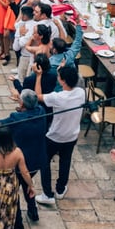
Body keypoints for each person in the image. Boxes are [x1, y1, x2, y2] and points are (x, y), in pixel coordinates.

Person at [0, 89, 47, 229]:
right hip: (37, 159)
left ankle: (18, 222)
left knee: (14, 190)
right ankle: (33, 212)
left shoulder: (16, 118)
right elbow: (33, 105)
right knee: (27, 185)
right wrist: (21, 102)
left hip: (20, 162)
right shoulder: (41, 111)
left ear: (23, 104)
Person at [34, 65, 84, 204]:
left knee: (44, 162)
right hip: (72, 135)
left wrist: (38, 76)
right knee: (65, 161)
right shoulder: (81, 93)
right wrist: (63, 70)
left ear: (63, 81)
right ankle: (60, 189)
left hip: (55, 136)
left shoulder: (57, 97)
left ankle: (47, 194)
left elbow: (37, 96)